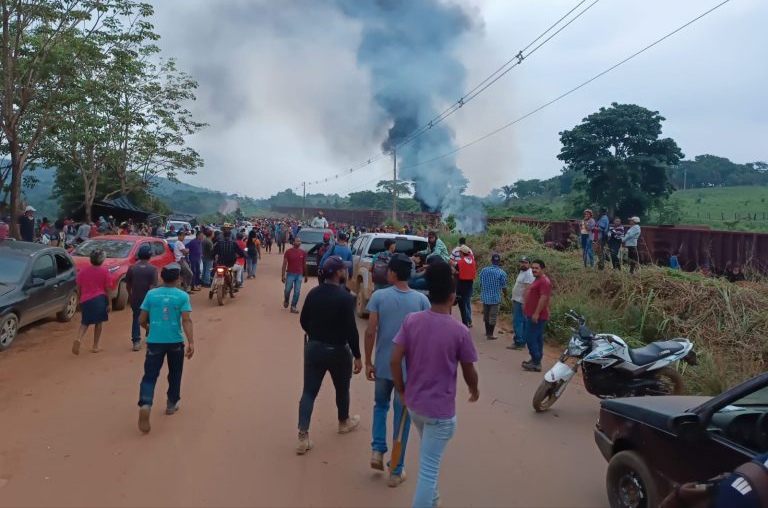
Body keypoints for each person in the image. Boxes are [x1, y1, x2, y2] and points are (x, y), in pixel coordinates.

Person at [390, 261, 479, 508]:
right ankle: (429, 499)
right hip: (440, 413)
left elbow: (395, 360)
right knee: (428, 469)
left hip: (416, 407)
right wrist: (474, 389)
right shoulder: (459, 331)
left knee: (429, 459)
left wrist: (401, 390)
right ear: (453, 298)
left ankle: (435, 499)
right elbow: (469, 370)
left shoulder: (411, 321)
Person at [364, 253, 431, 486]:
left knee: (380, 406)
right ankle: (395, 470)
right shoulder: (421, 302)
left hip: (383, 364)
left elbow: (371, 330)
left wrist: (368, 361)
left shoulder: (380, 296)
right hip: (408, 370)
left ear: (392, 273)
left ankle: (377, 450)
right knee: (402, 418)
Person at [296, 255, 363, 454]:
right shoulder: (344, 298)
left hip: (314, 348)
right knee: (342, 389)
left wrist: (315, 334)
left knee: (309, 392)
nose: (346, 271)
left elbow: (303, 321)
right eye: (344, 269)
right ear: (337, 273)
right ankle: (343, 422)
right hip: (338, 350)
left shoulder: (313, 294)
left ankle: (303, 436)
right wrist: (358, 356)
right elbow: (352, 330)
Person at [136, 263, 195, 434]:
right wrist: (191, 342)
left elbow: (141, 319)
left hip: (155, 341)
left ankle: (146, 403)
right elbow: (186, 320)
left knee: (150, 375)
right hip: (175, 341)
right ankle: (171, 403)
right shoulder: (182, 296)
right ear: (178, 279)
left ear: (162, 277)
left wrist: (148, 329)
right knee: (175, 373)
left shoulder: (151, 294)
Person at [73, 249, 111, 355]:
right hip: (99, 299)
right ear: (102, 260)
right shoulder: (105, 271)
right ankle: (95, 345)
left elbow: (78, 287)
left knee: (84, 322)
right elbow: (108, 289)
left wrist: (79, 300)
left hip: (86, 299)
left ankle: (78, 338)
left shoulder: (83, 271)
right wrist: (110, 303)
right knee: (98, 322)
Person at [125, 244, 158, 352]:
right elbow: (152, 287)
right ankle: (152, 336)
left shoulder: (132, 268)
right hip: (148, 299)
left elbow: (128, 285)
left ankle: (136, 342)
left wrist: (130, 296)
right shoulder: (152, 269)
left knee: (136, 319)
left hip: (136, 298)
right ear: (149, 256)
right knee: (151, 318)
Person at [522, 260, 552, 372]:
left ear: (542, 269)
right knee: (537, 339)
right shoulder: (538, 279)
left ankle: (536, 361)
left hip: (537, 316)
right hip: (533, 314)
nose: (534, 270)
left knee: (530, 338)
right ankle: (536, 360)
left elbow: (544, 298)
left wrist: (536, 313)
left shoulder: (544, 281)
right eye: (533, 268)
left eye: (537, 268)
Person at [478, 253, 508, 340]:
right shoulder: (502, 273)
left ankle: (487, 332)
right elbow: (504, 287)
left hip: (485, 296)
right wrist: (505, 295)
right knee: (493, 316)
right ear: (499, 262)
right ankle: (490, 335)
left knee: (486, 315)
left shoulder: (484, 270)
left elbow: (481, 283)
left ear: (491, 261)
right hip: (495, 298)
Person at [507, 257, 534, 350]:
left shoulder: (529, 274)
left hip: (521, 301)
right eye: (522, 262)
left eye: (525, 263)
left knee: (518, 322)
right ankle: (522, 341)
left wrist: (524, 302)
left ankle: (518, 342)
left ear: (529, 264)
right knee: (523, 322)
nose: (523, 264)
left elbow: (528, 289)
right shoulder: (523, 272)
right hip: (518, 300)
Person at [212, 227, 246, 296]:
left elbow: (213, 253)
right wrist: (242, 255)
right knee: (233, 272)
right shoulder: (233, 243)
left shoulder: (219, 243)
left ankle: (211, 289)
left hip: (220, 262)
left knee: (216, 274)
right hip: (230, 263)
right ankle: (233, 286)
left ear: (223, 235)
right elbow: (241, 253)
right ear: (230, 235)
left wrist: (214, 258)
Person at [282, 237, 308, 313]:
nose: (299, 242)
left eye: (300, 241)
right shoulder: (288, 252)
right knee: (287, 290)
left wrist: (306, 275)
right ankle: (286, 300)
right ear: (293, 242)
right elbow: (284, 264)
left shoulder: (303, 252)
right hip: (290, 274)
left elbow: (304, 264)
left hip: (299, 274)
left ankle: (293, 306)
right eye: (297, 241)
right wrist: (283, 275)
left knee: (297, 291)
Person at [454, 245, 477, 328]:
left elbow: (455, 272)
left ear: (461, 253)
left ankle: (465, 323)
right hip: (470, 284)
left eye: (459, 252)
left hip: (461, 285)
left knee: (462, 304)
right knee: (467, 302)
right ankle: (469, 320)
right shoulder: (473, 261)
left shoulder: (460, 263)